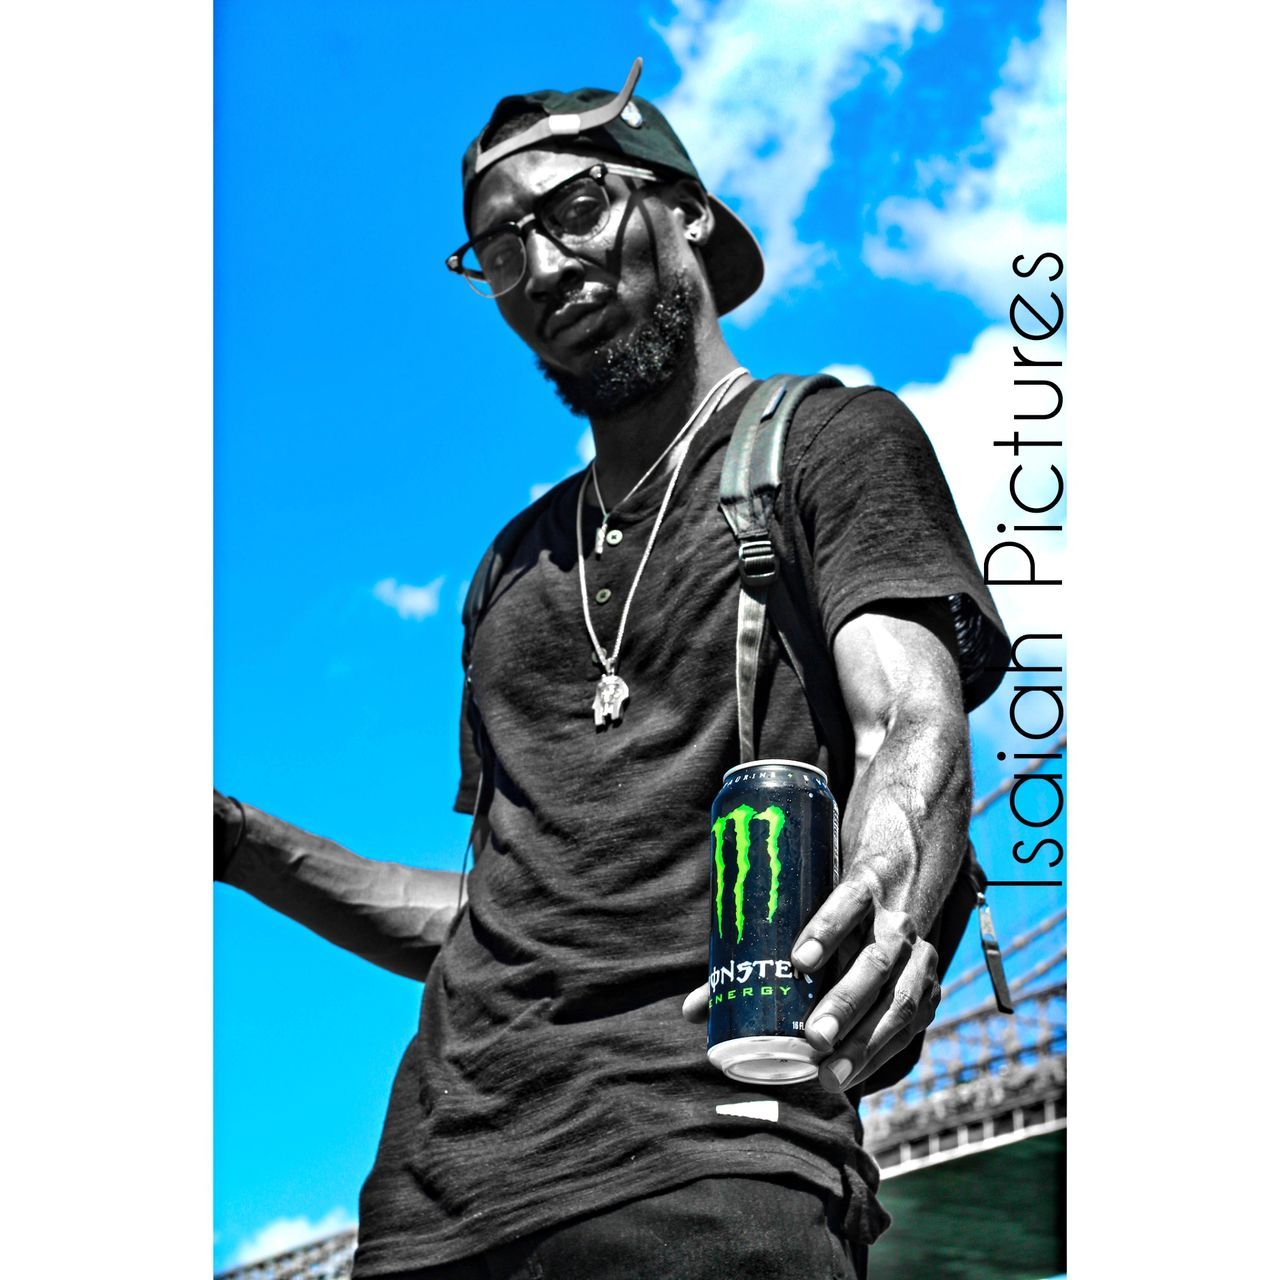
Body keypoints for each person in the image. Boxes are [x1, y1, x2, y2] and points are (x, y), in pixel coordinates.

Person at [214, 58, 1010, 1280]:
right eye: (497, 248)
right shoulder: (505, 571)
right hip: (431, 1206)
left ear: (683, 208)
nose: (538, 269)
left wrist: (891, 899)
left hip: (711, 1164)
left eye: (574, 208)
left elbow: (909, 712)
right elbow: (493, 912)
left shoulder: (828, 442)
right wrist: (230, 843)